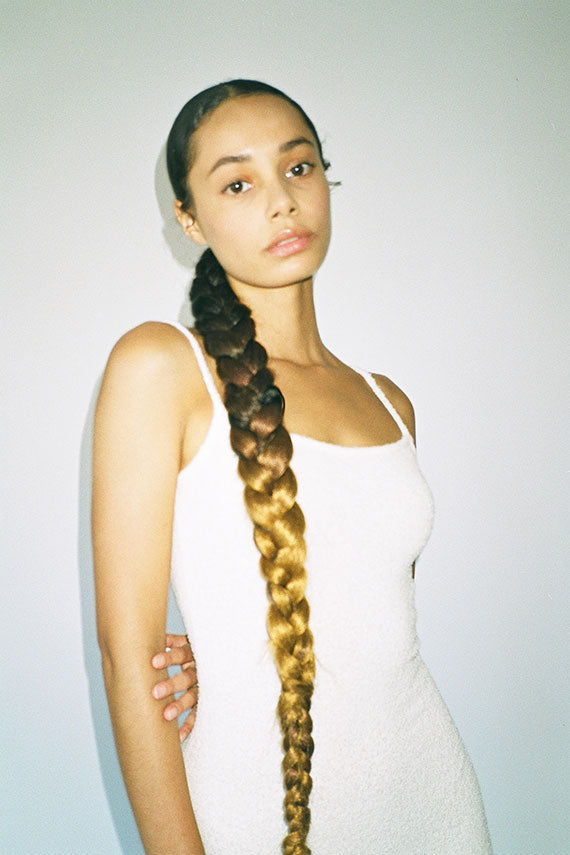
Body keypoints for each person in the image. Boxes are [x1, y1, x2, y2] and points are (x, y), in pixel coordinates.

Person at [93, 79, 492, 855]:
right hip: (255, 812)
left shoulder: (389, 401)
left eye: (298, 167)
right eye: (238, 183)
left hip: (434, 800)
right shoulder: (162, 368)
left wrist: (233, 652)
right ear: (189, 219)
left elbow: (363, 622)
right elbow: (126, 656)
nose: (281, 200)